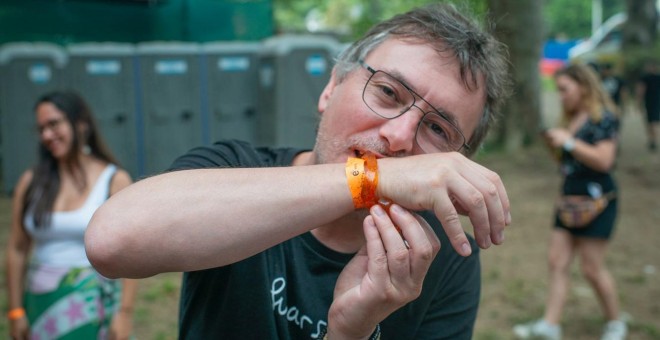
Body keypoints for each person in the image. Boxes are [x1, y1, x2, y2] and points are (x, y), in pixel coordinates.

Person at [85, 4, 512, 339]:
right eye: (387, 92)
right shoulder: (235, 169)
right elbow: (111, 241)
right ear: (331, 87)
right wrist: (371, 180)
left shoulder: (445, 257)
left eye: (437, 128)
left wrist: (349, 334)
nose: (400, 135)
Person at [5, 91, 138, 340]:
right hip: (40, 304)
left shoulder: (113, 180)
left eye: (54, 124)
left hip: (94, 306)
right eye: (41, 128)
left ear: (81, 124)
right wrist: (15, 311)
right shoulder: (30, 181)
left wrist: (124, 313)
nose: (46, 135)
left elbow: (129, 252)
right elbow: (17, 249)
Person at [514, 64, 626, 340]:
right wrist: (556, 145)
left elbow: (604, 160)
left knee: (591, 268)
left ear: (584, 86)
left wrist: (569, 142)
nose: (561, 95)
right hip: (568, 198)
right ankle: (550, 325)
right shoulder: (572, 119)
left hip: (598, 201)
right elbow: (569, 162)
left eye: (565, 89)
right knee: (557, 261)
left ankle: (615, 323)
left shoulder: (604, 118)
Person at [636, 60, 660, 152]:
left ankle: (653, 139)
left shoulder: (645, 78)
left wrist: (638, 102)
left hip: (650, 102)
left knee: (651, 121)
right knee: (653, 121)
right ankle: (653, 139)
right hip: (656, 101)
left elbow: (640, 90)